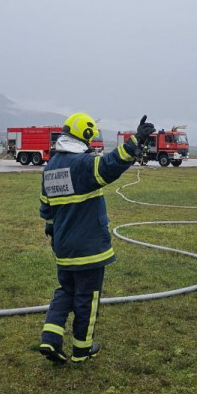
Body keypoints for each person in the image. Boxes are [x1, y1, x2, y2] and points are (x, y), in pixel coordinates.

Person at [37, 113, 153, 365]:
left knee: (65, 290)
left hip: (63, 246)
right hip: (89, 245)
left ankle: (50, 338)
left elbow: (46, 209)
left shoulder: (51, 167)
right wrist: (135, 141)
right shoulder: (82, 164)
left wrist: (53, 229)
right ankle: (82, 349)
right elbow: (110, 165)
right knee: (87, 297)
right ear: (86, 134)